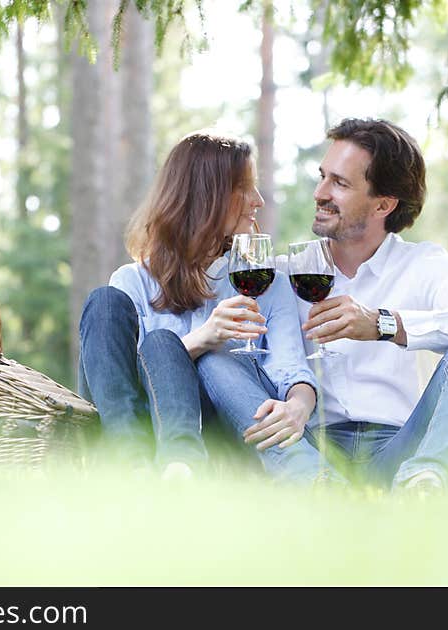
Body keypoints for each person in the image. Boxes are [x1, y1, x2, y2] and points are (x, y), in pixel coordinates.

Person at [78, 132, 334, 483]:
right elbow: (123, 389)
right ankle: (132, 468)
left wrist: (299, 406)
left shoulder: (266, 282)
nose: (258, 200)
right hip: (145, 435)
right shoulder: (132, 283)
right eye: (245, 188)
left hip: (229, 437)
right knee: (104, 303)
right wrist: (204, 337)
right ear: (206, 196)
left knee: (215, 361)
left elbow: (290, 370)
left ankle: (185, 469)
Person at [296, 118, 448, 492]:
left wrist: (389, 325)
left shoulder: (424, 265)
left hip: (399, 449)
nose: (320, 192)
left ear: (383, 204)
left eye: (339, 183)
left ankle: (425, 485)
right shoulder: (292, 270)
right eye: (323, 176)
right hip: (309, 451)